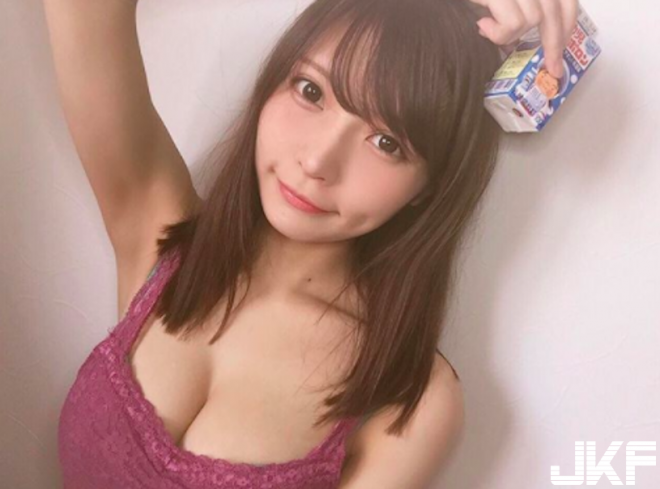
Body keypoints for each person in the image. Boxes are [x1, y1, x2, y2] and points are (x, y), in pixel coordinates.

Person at [44, 0, 577, 487]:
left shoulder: (406, 399)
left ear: (429, 186)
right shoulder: (158, 227)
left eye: (386, 142)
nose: (318, 161)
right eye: (311, 91)